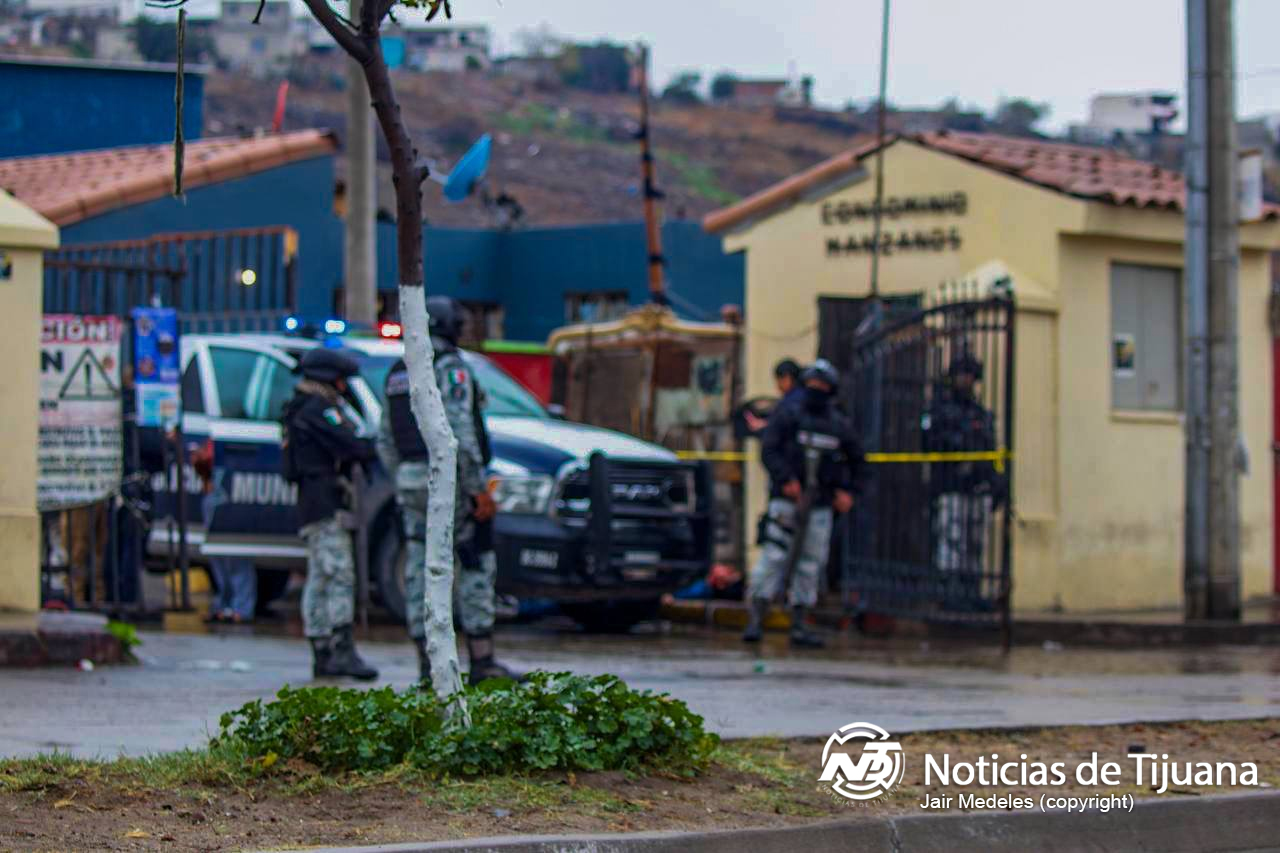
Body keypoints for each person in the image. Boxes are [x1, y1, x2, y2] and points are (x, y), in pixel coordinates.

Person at [376, 295, 518, 687]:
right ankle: (482, 659)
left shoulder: (398, 371)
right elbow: (461, 432)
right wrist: (476, 490)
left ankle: (427, 663)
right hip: (447, 482)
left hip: (410, 482)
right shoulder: (450, 368)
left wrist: (405, 474)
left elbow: (384, 438)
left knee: (421, 564)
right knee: (474, 560)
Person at [743, 359, 863, 648]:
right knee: (774, 556)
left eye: (823, 387)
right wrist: (785, 480)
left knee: (810, 563)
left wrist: (848, 491)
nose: (817, 391)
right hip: (787, 502)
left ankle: (799, 622)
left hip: (821, 504)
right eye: (812, 386)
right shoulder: (788, 414)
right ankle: (756, 618)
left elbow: (859, 462)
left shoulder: (837, 423)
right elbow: (769, 449)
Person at [282, 348, 378, 680]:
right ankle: (341, 649)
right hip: (323, 501)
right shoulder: (316, 409)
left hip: (314, 501)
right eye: (340, 382)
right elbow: (354, 445)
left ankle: (322, 650)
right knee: (338, 574)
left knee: (320, 576)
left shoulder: (300, 408)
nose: (343, 389)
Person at [922, 353, 1005, 610]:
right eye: (962, 375)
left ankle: (971, 593)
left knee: (974, 544)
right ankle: (950, 593)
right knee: (951, 541)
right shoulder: (941, 411)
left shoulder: (980, 413)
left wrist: (996, 483)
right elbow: (931, 444)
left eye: (970, 375)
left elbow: (992, 451)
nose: (966, 380)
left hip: (977, 488)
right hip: (950, 486)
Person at [192, 441, 256, 623]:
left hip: (233, 485)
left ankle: (241, 607)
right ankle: (225, 604)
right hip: (217, 485)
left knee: (236, 552)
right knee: (218, 554)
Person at [742, 358, 804, 436]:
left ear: (787, 378)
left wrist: (763, 425)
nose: (778, 386)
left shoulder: (793, 400)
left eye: (779, 381)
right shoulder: (799, 396)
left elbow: (784, 426)